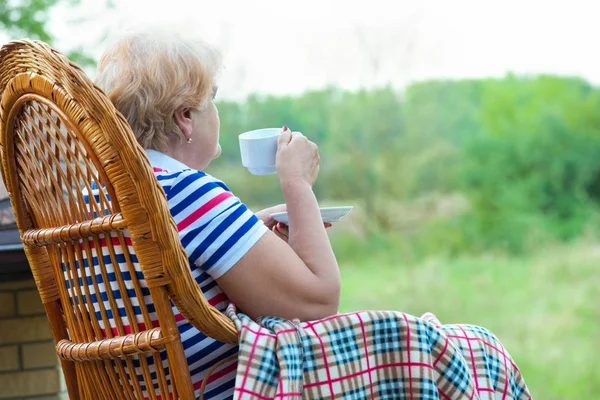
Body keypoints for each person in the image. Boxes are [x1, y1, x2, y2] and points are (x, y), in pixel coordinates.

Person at [95, 28, 530, 399]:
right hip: (221, 386)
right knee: (472, 348)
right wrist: (297, 183)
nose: (217, 111)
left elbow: (188, 268)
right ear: (186, 117)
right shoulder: (186, 190)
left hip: (155, 385)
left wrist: (251, 229)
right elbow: (318, 301)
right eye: (212, 99)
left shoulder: (111, 193)